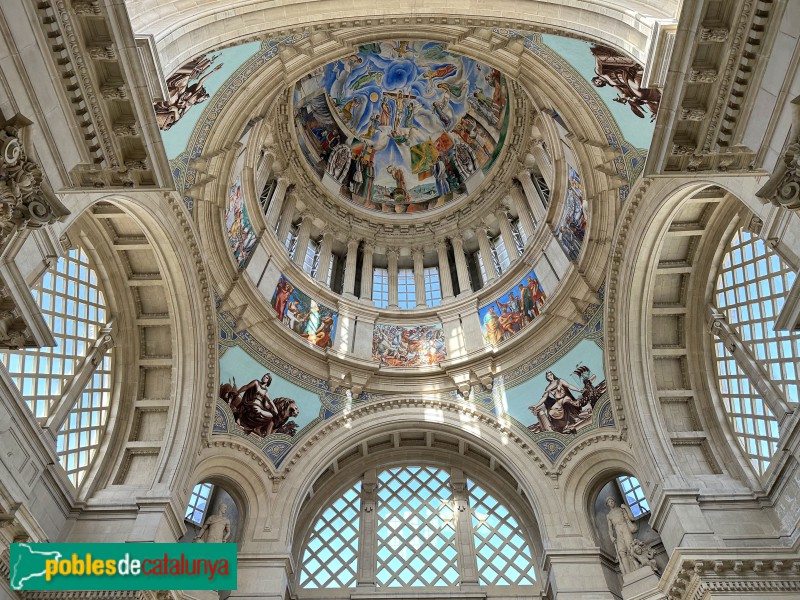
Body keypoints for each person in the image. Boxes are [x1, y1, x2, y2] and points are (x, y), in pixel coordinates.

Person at [605, 497, 639, 573]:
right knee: (622, 552)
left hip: (625, 528)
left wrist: (626, 507)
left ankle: (637, 567)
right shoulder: (609, 515)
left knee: (631, 548)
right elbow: (610, 528)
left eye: (612, 501)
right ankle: (628, 573)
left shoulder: (621, 509)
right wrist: (611, 536)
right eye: (609, 502)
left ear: (615, 501)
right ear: (608, 504)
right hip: (618, 531)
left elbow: (632, 518)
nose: (611, 502)